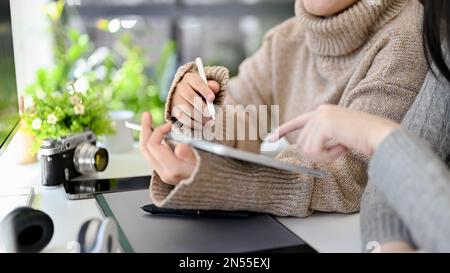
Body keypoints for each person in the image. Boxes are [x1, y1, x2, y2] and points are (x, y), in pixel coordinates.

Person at [139, 0, 427, 217]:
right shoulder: (285, 39)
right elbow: (243, 122)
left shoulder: (407, 34)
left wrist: (218, 182)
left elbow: (350, 179)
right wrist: (199, 109)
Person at [269, 0, 450, 252]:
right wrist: (384, 245)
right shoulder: (446, 52)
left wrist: (378, 135)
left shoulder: (409, 33)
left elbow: (351, 175)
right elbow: (386, 184)